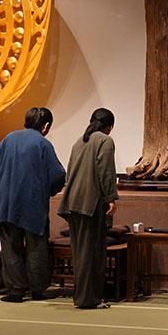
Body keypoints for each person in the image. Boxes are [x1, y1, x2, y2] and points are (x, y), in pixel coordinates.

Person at [0, 107, 66, 303]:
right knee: (36, 246)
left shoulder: (9, 138)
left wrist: (7, 178)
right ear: (45, 126)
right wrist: (48, 190)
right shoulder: (43, 144)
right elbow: (58, 175)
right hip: (32, 202)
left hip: (6, 202)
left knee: (10, 247)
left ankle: (16, 290)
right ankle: (37, 290)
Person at [58, 108, 118, 309]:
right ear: (110, 126)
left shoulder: (79, 141)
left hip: (73, 203)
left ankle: (84, 297)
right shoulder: (105, 141)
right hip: (91, 204)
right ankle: (88, 299)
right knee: (92, 253)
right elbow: (106, 172)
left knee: (80, 253)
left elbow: (69, 173)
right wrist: (111, 198)